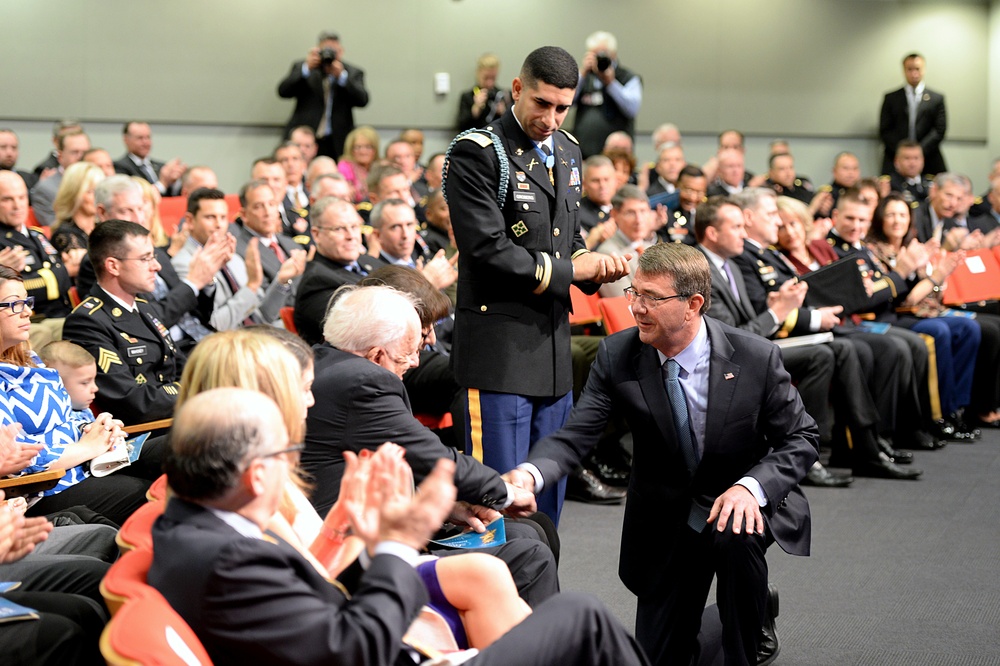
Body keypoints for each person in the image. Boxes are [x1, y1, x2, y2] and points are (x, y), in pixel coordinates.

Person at [150, 386, 649, 666]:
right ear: (258, 474)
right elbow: (354, 647)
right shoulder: (231, 559)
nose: (294, 467)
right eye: (288, 453)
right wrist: (397, 542)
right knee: (581, 615)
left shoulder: (189, 525)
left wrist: (364, 531)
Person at [505, 242, 817, 666]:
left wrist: (751, 487)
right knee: (660, 659)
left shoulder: (755, 356)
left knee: (736, 538)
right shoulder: (618, 354)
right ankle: (753, 607)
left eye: (651, 297)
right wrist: (530, 474)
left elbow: (801, 437)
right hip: (666, 515)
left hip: (738, 502)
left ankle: (745, 622)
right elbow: (577, 435)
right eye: (634, 292)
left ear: (693, 304)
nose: (636, 307)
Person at [444, 46, 630, 523]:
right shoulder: (478, 152)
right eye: (541, 104)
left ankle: (542, 596)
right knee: (496, 504)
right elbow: (486, 249)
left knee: (546, 508)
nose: (550, 118)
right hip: (498, 357)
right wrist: (573, 272)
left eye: (562, 107)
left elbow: (568, 234)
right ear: (518, 90)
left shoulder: (568, 150)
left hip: (552, 356)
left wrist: (594, 261)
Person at [0, 266, 155, 526]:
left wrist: (94, 428)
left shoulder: (29, 359)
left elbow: (66, 417)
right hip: (47, 489)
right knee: (151, 493)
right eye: (14, 304)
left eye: (26, 301)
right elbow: (18, 460)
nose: (27, 311)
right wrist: (87, 447)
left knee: (173, 452)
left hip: (88, 464)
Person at [867, 193, 989, 436]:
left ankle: (957, 407)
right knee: (939, 331)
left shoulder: (911, 246)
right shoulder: (873, 251)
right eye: (890, 214)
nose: (896, 220)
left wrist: (934, 274)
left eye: (902, 215)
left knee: (969, 329)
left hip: (918, 312)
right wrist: (937, 275)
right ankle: (938, 413)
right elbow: (905, 298)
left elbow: (926, 296)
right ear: (880, 219)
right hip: (890, 315)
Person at [62, 221, 187, 424]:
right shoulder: (86, 322)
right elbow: (134, 402)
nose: (156, 266)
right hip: (142, 434)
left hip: (175, 416)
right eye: (145, 259)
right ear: (113, 266)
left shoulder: (145, 307)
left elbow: (181, 367)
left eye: (153, 256)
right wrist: (193, 393)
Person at [293, 196, 386, 345]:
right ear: (316, 234)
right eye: (340, 229)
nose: (351, 236)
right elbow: (364, 330)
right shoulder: (317, 281)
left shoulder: (368, 261)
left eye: (354, 227)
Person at [0, 170, 73, 348]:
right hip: (32, 318)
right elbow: (25, 289)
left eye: (22, 197)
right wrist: (65, 272)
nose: (17, 205)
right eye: (7, 199)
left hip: (59, 313)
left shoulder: (37, 235)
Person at [278, 31, 369, 160]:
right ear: (317, 51)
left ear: (341, 52)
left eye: (333, 51)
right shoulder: (304, 68)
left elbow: (363, 100)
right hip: (306, 137)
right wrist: (306, 68)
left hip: (337, 139)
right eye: (325, 50)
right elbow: (283, 91)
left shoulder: (352, 72)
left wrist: (342, 77)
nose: (329, 55)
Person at [573, 31, 642, 158]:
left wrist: (611, 83)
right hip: (583, 153)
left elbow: (632, 109)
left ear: (614, 55)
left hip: (617, 156)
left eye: (602, 54)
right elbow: (566, 101)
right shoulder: (584, 77)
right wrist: (582, 73)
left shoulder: (628, 77)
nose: (598, 58)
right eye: (594, 54)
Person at [880, 53, 947, 176]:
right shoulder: (891, 98)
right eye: (909, 69)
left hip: (930, 157)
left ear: (924, 69)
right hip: (895, 157)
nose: (914, 73)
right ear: (904, 70)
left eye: (917, 69)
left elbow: (939, 130)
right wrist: (903, 153)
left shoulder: (936, 99)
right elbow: (885, 130)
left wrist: (919, 152)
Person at [50, 163, 104, 275]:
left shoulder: (103, 227)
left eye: (100, 191)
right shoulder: (64, 235)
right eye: (90, 192)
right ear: (75, 194)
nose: (97, 197)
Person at [29, 131, 91, 226]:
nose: (81, 157)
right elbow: (53, 226)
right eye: (75, 152)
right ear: (60, 156)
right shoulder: (45, 189)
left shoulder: (98, 183)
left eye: (85, 152)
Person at [112, 122, 185, 197]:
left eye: (148, 137)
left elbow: (173, 195)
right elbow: (134, 196)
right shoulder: (119, 167)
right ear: (126, 140)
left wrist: (175, 181)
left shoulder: (162, 167)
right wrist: (163, 183)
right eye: (140, 138)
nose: (145, 142)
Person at [458, 53, 509, 131]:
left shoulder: (503, 96)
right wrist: (476, 108)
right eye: (486, 78)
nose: (489, 83)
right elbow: (461, 127)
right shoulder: (467, 97)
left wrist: (504, 112)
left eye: (493, 78)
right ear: (478, 74)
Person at [337, 125, 379, 203]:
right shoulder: (344, 166)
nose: (363, 152)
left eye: (368, 147)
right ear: (350, 149)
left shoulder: (379, 166)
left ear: (375, 149)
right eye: (358, 147)